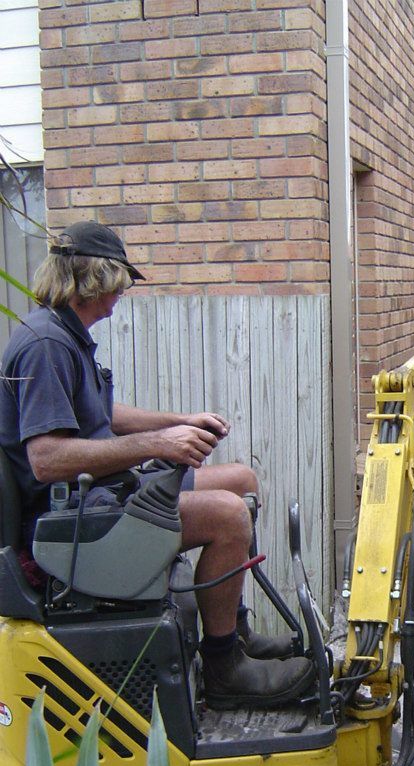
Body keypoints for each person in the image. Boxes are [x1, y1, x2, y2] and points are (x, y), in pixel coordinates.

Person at [0, 221, 315, 710]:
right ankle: (223, 670)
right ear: (95, 280)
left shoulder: (63, 335)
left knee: (242, 481)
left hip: (99, 494)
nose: (121, 295)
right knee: (229, 514)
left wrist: (179, 421)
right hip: (76, 523)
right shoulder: (46, 346)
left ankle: (234, 632)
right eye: (120, 284)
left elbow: (100, 417)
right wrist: (159, 444)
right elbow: (47, 458)